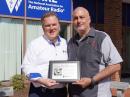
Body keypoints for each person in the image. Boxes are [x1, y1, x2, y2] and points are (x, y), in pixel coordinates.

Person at [67, 7, 123, 97]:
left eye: (82, 17)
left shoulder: (101, 37)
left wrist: (91, 80)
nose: (78, 21)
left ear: (89, 19)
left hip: (97, 94)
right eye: (75, 18)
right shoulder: (71, 42)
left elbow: (116, 65)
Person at [21, 12, 68, 97]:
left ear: (59, 25)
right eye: (47, 25)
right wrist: (41, 80)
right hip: (39, 92)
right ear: (43, 28)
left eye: (54, 24)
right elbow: (26, 66)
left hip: (61, 92)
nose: (51, 28)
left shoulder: (65, 43)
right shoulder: (35, 44)